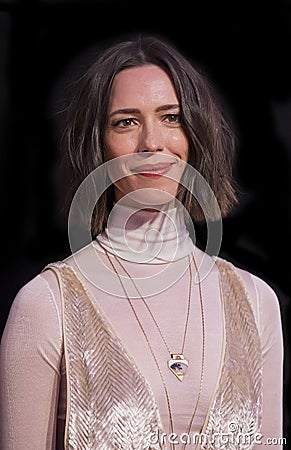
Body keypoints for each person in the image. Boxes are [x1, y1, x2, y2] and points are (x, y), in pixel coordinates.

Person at [0, 34, 284, 450]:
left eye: (171, 117)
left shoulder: (256, 302)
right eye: (126, 122)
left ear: (195, 135)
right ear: (98, 144)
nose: (152, 142)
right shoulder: (47, 305)